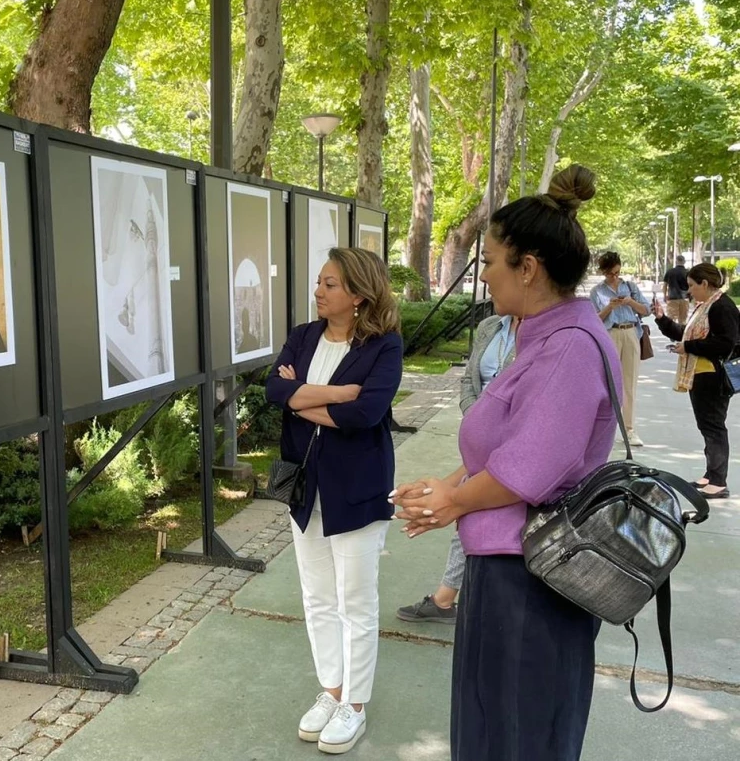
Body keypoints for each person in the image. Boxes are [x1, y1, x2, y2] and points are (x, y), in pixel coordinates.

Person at [391, 164, 620, 761]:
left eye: (490, 260)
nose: (484, 273)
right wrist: (449, 485)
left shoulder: (567, 346)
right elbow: (507, 444)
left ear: (530, 267)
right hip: (511, 568)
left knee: (516, 735)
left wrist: (454, 502)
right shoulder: (543, 334)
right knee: (497, 723)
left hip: (532, 579)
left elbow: (529, 468)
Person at [265, 247, 403, 755]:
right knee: (317, 597)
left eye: (329, 285)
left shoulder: (384, 345)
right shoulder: (303, 336)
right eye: (319, 283)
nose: (318, 291)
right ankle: (332, 689)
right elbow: (270, 392)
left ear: (358, 295)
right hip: (305, 488)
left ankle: (356, 704)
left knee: (356, 602)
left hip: (358, 488)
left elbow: (367, 414)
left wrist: (303, 396)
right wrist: (337, 393)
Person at [395, 313, 518, 625]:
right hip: (482, 434)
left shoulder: (545, 334)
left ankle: (446, 598)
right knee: (468, 507)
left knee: (471, 509)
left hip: (514, 435)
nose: (488, 277)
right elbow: (469, 380)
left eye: (493, 263)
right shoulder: (491, 326)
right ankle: (446, 597)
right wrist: (479, 420)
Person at [652, 263, 739, 500]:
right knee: (707, 426)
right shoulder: (706, 306)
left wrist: (688, 347)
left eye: (692, 286)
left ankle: (718, 481)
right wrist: (661, 319)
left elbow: (725, 344)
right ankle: (711, 475)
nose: (689, 291)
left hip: (714, 376)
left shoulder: (721, 307)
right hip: (701, 376)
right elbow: (686, 334)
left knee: (713, 427)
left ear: (704, 284)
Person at [590, 251, 650, 445]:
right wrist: (609, 307)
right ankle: (604, 430)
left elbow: (647, 310)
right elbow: (594, 319)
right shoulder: (597, 291)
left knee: (629, 383)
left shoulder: (630, 287)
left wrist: (630, 302)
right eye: (610, 274)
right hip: (610, 334)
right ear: (603, 272)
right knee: (608, 383)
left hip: (631, 331)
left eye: (616, 272)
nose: (614, 277)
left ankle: (629, 429)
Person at [663, 255, 691, 326]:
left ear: (676, 261)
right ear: (684, 262)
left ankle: (672, 336)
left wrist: (664, 295)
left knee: (671, 321)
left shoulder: (670, 272)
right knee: (683, 321)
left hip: (672, 298)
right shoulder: (688, 273)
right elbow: (691, 286)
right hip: (685, 298)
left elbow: (665, 285)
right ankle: (681, 336)